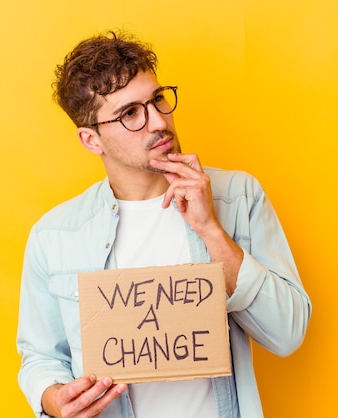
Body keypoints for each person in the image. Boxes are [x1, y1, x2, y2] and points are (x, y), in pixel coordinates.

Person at [16, 30, 311, 418]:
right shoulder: (54, 235)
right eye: (130, 113)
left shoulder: (238, 197)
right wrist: (50, 398)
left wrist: (210, 229)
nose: (158, 121)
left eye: (157, 99)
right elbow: (39, 355)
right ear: (91, 140)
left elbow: (287, 334)